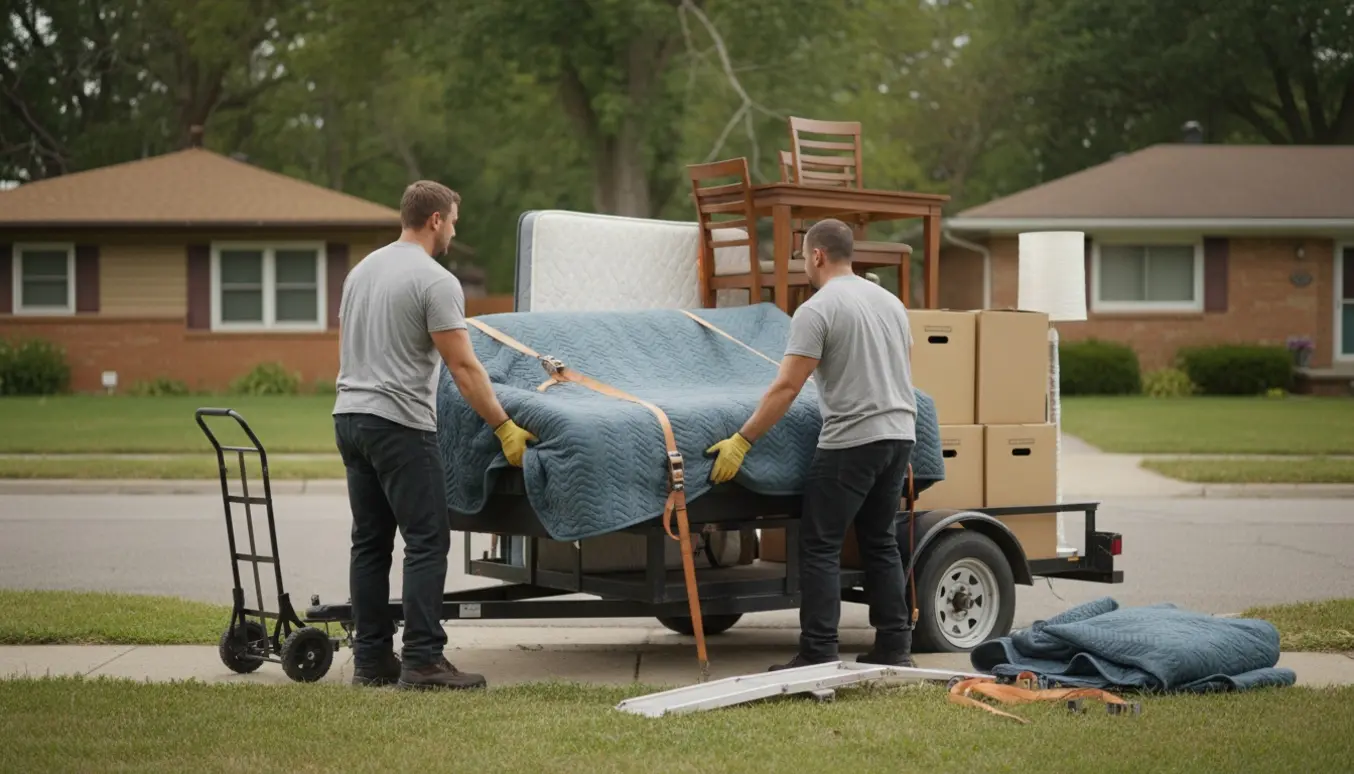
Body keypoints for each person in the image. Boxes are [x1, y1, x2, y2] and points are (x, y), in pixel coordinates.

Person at [332, 180, 535, 690]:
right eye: (454, 222)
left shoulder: (362, 271)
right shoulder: (434, 279)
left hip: (348, 417)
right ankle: (422, 659)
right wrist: (503, 426)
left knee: (370, 543)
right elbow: (464, 367)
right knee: (427, 539)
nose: (453, 232)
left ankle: (372, 660)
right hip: (398, 422)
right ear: (436, 220)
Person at [705, 217, 918, 670]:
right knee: (879, 540)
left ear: (817, 255)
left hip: (851, 441)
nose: (805, 263)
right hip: (900, 435)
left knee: (820, 545)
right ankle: (895, 648)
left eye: (803, 256)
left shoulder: (818, 309)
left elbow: (786, 387)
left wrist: (742, 440)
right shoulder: (891, 303)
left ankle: (818, 652)